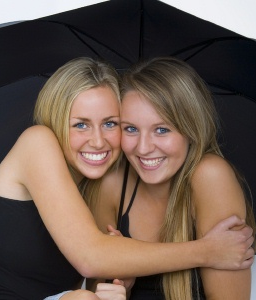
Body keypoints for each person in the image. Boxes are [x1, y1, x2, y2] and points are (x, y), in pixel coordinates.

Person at [0, 57, 254, 300]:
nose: (98, 141)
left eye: (110, 124)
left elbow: (91, 282)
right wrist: (208, 251)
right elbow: (91, 258)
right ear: (56, 118)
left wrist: (123, 284)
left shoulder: (91, 186)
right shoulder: (38, 142)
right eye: (80, 124)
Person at [89, 57, 256, 299]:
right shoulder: (113, 184)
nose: (143, 148)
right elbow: (95, 287)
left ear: (191, 129)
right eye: (131, 129)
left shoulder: (210, 176)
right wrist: (122, 286)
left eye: (162, 129)